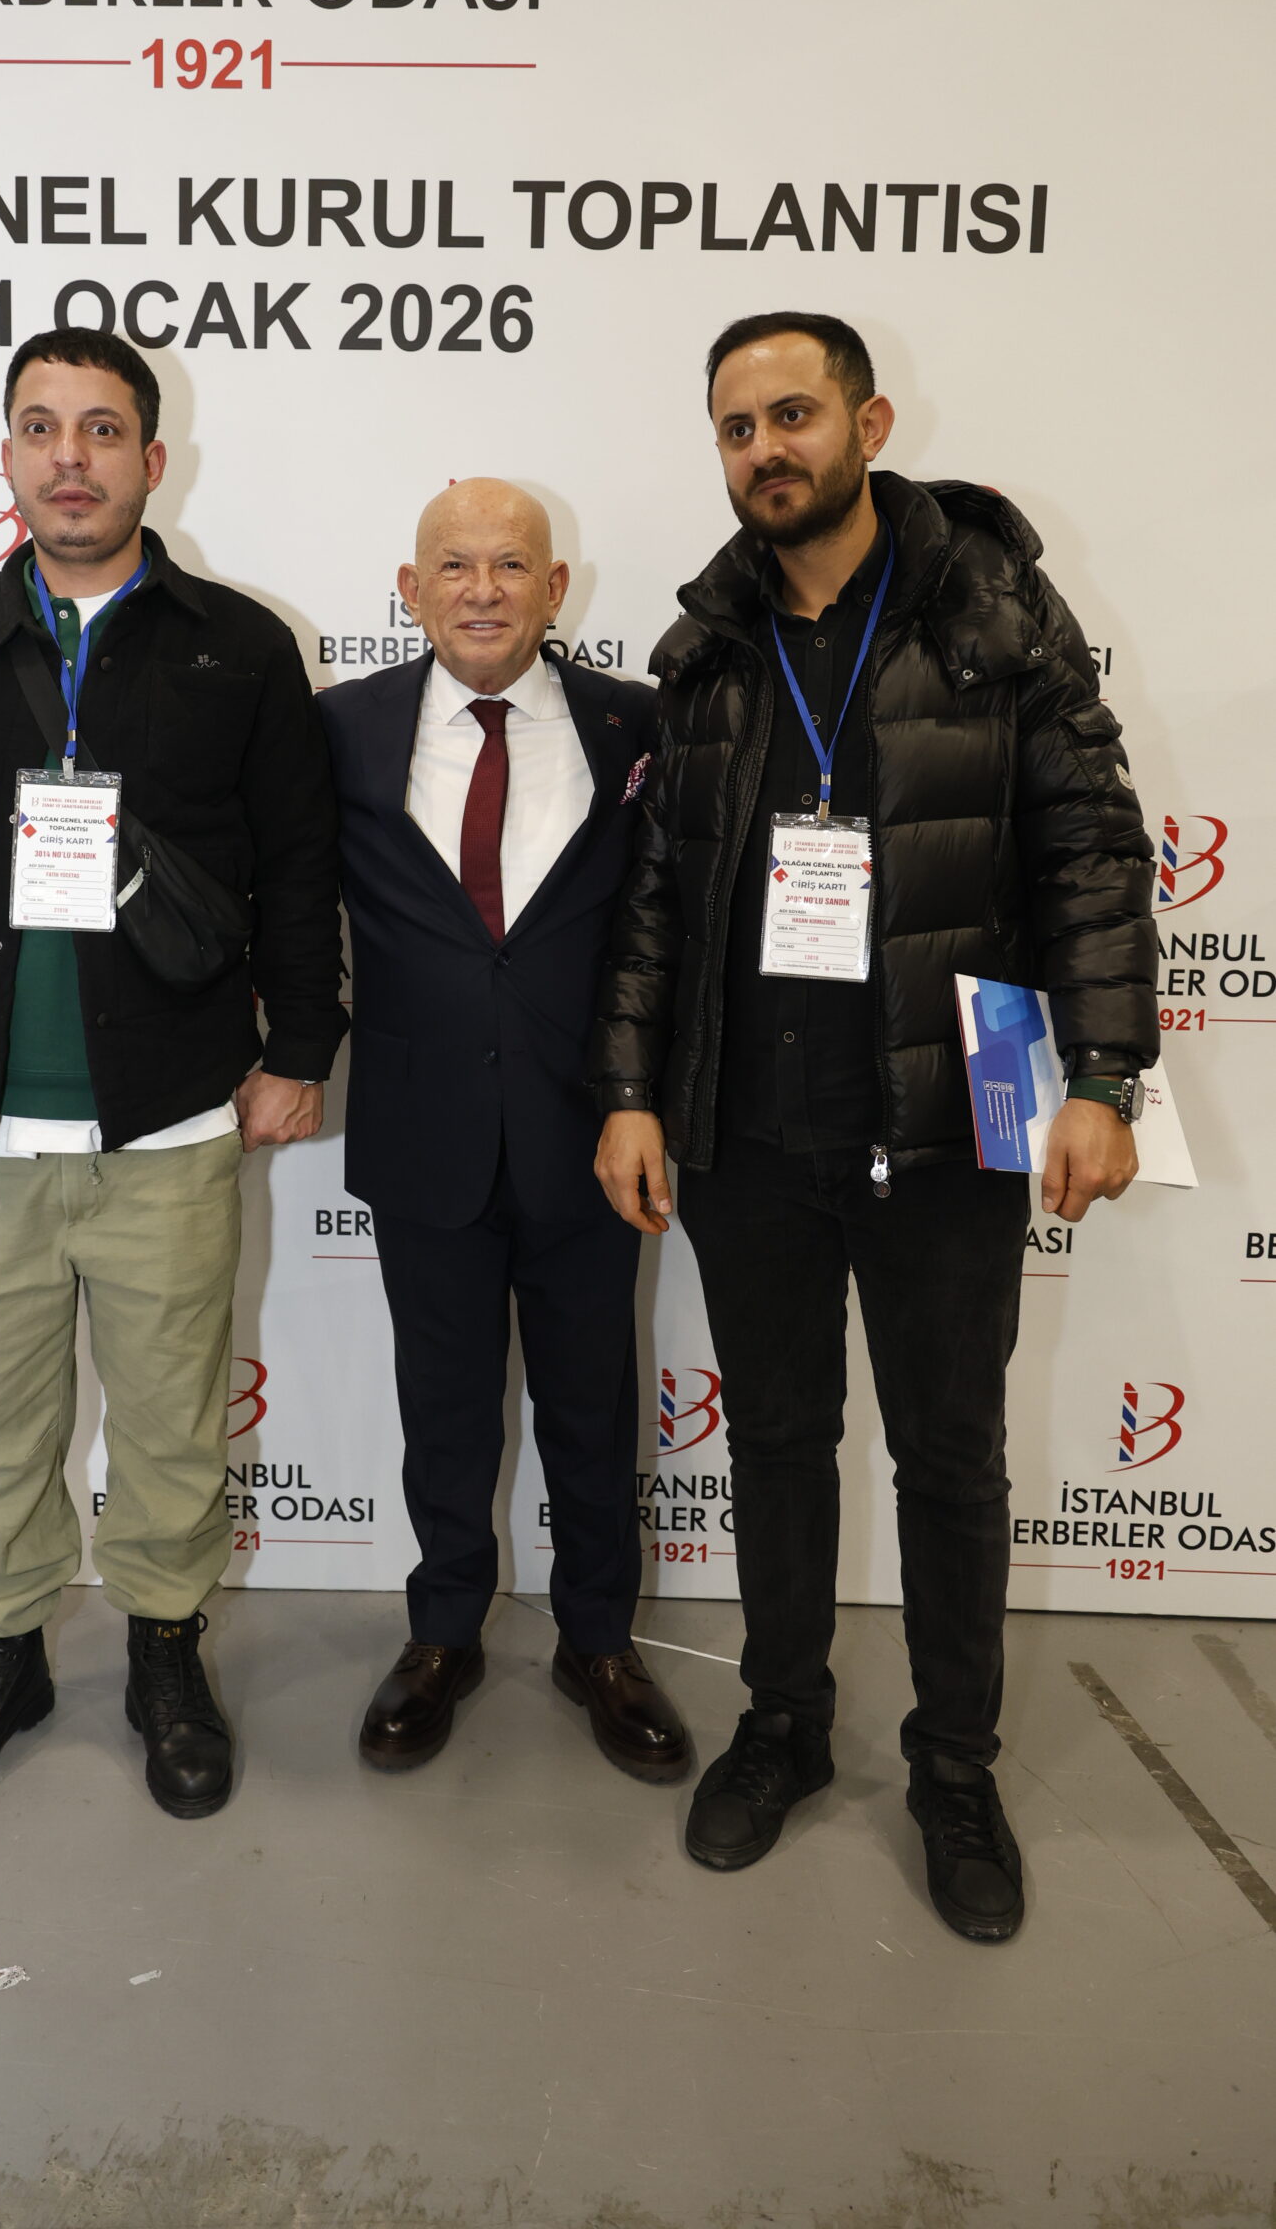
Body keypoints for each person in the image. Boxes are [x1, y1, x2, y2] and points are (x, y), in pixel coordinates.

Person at [593, 313, 1158, 1940]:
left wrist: (1103, 1077)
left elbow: (1090, 847)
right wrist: (629, 1092)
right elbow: (655, 897)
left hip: (950, 1122)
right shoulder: (709, 646)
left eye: (793, 414)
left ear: (869, 422)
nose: (765, 449)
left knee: (950, 1460)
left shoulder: (993, 612)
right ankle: (783, 1722)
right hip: (751, 1133)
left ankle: (955, 1768)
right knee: (775, 1443)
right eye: (737, 428)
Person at [0, 328, 344, 1823]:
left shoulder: (238, 646)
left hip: (169, 1118)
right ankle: (5, 1650)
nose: (71, 457)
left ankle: (165, 1650)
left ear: (151, 461)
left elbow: (302, 867)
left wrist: (299, 1050)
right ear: (6, 457)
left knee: (172, 1421)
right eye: (42, 427)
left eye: (102, 430)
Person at [319, 479, 689, 1783]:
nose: (483, 590)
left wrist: (647, 1098)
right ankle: (441, 1635)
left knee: (592, 1406)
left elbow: (664, 921)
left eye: (512, 565)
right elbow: (289, 906)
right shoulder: (342, 730)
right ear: (410, 591)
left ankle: (600, 1642)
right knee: (445, 1409)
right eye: (455, 566)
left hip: (592, 1134)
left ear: (555, 588)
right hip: (420, 1130)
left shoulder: (634, 724)